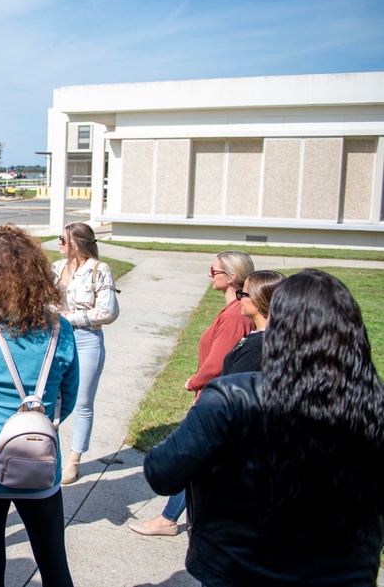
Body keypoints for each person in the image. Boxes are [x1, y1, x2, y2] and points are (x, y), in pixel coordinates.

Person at [144, 269, 384, 585]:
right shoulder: (372, 404)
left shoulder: (232, 398)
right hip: (345, 573)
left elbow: (161, 470)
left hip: (242, 569)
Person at [0, 225, 80, 586]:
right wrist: (39, 425)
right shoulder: (60, 329)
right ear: (37, 271)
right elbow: (68, 398)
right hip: (41, 463)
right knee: (54, 564)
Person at [130, 250, 254, 536]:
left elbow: (216, 364)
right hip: (219, 397)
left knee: (196, 459)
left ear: (232, 277)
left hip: (216, 399)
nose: (210, 276)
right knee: (203, 462)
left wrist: (193, 382)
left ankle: (172, 520)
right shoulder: (234, 311)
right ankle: (170, 518)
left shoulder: (236, 315)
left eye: (214, 271)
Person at [51, 222, 119, 484]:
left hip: (87, 339)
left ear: (77, 243)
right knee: (52, 397)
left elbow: (108, 312)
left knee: (82, 402)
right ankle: (50, 453)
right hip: (57, 338)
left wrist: (69, 316)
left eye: (63, 239)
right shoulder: (57, 268)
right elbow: (44, 298)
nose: (59, 243)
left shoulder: (100, 270)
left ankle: (74, 460)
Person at [220, 270, 286, 377]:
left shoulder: (257, 346)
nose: (239, 299)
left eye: (243, 294)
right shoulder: (266, 336)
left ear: (258, 299)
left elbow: (234, 387)